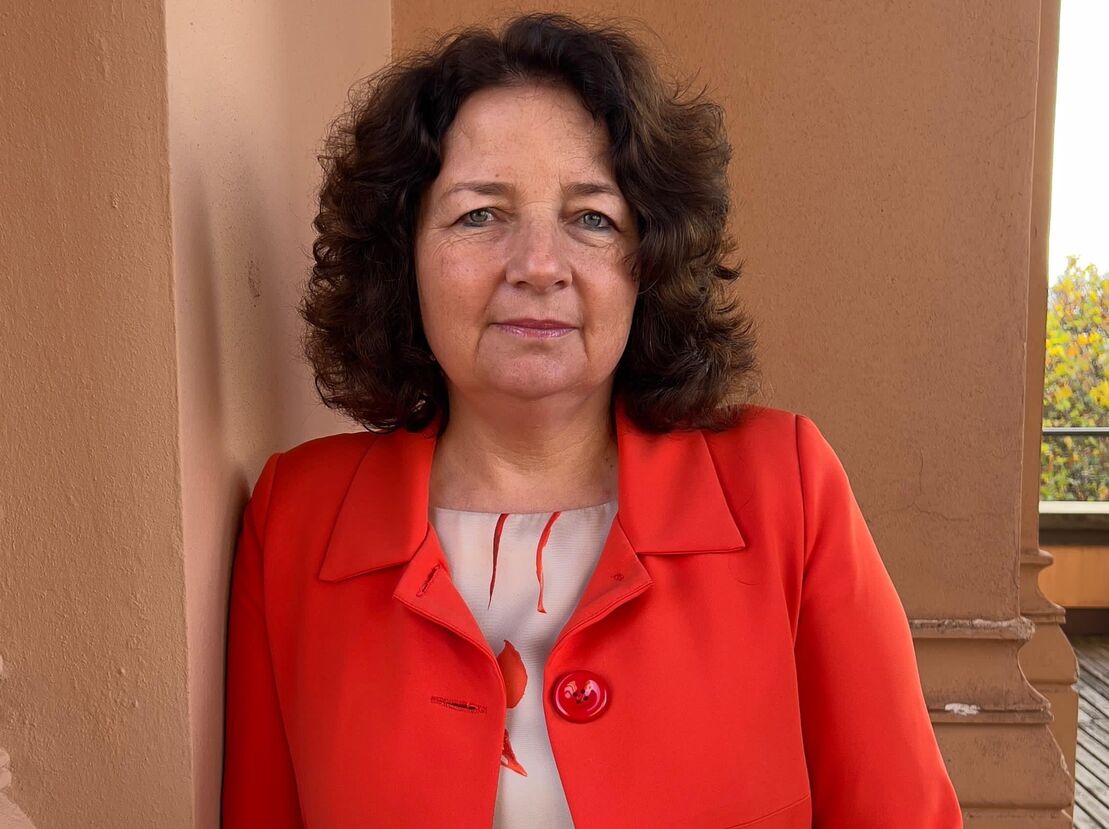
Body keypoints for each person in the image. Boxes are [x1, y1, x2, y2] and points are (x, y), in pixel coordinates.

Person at [220, 12, 962, 828]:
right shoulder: (296, 520)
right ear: (403, 255)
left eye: (592, 218)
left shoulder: (784, 488)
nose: (539, 266)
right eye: (479, 214)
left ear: (649, 260)